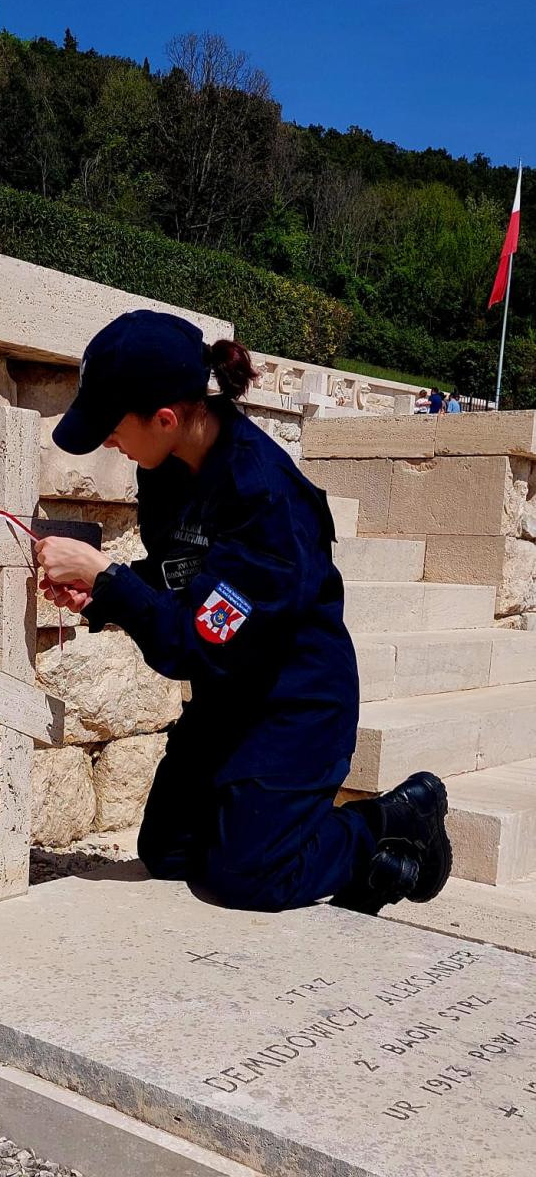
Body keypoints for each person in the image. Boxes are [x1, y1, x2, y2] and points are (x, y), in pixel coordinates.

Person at [35, 310, 452, 916]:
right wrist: (102, 592)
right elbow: (187, 578)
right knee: (168, 852)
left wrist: (108, 578)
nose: (106, 442)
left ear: (166, 418)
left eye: (112, 426)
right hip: (229, 694)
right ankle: (286, 834)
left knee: (245, 879)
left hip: (295, 706)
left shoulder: (265, 497)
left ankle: (388, 824)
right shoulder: (166, 470)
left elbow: (198, 641)